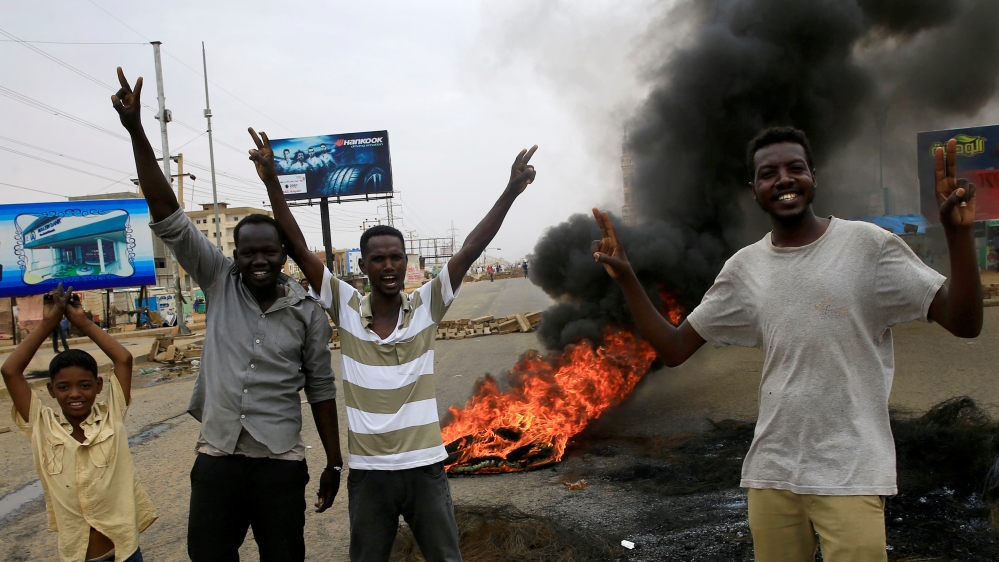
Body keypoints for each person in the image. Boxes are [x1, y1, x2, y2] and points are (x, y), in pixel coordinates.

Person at [592, 127, 982, 562]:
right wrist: (627, 276)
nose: (783, 179)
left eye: (795, 168)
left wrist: (958, 235)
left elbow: (964, 322)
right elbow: (674, 349)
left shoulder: (868, 246)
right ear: (754, 189)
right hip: (772, 473)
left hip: (851, 473)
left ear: (813, 176)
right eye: (768, 173)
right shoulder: (745, 269)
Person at [247, 127, 538, 562]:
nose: (388, 265)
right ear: (362, 265)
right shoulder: (344, 307)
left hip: (425, 470)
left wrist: (511, 190)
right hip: (369, 475)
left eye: (396, 257)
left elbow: (472, 247)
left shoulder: (426, 305)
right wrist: (272, 180)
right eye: (378, 258)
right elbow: (298, 246)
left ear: (407, 263)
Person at [111, 68, 343, 562]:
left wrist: (334, 463)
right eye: (248, 252)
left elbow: (321, 389)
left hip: (281, 463)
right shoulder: (218, 281)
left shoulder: (307, 312)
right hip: (216, 459)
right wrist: (135, 129)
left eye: (269, 252)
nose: (258, 260)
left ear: (283, 255)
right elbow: (167, 212)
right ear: (233, 254)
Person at [2, 284, 155, 562]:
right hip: (77, 555)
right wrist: (49, 322)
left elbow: (123, 358)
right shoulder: (42, 426)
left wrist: (82, 322)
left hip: (124, 551)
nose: (74, 394)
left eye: (84, 385)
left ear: (98, 386)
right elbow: (10, 371)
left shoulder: (112, 417)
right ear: (50, 391)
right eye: (63, 388)